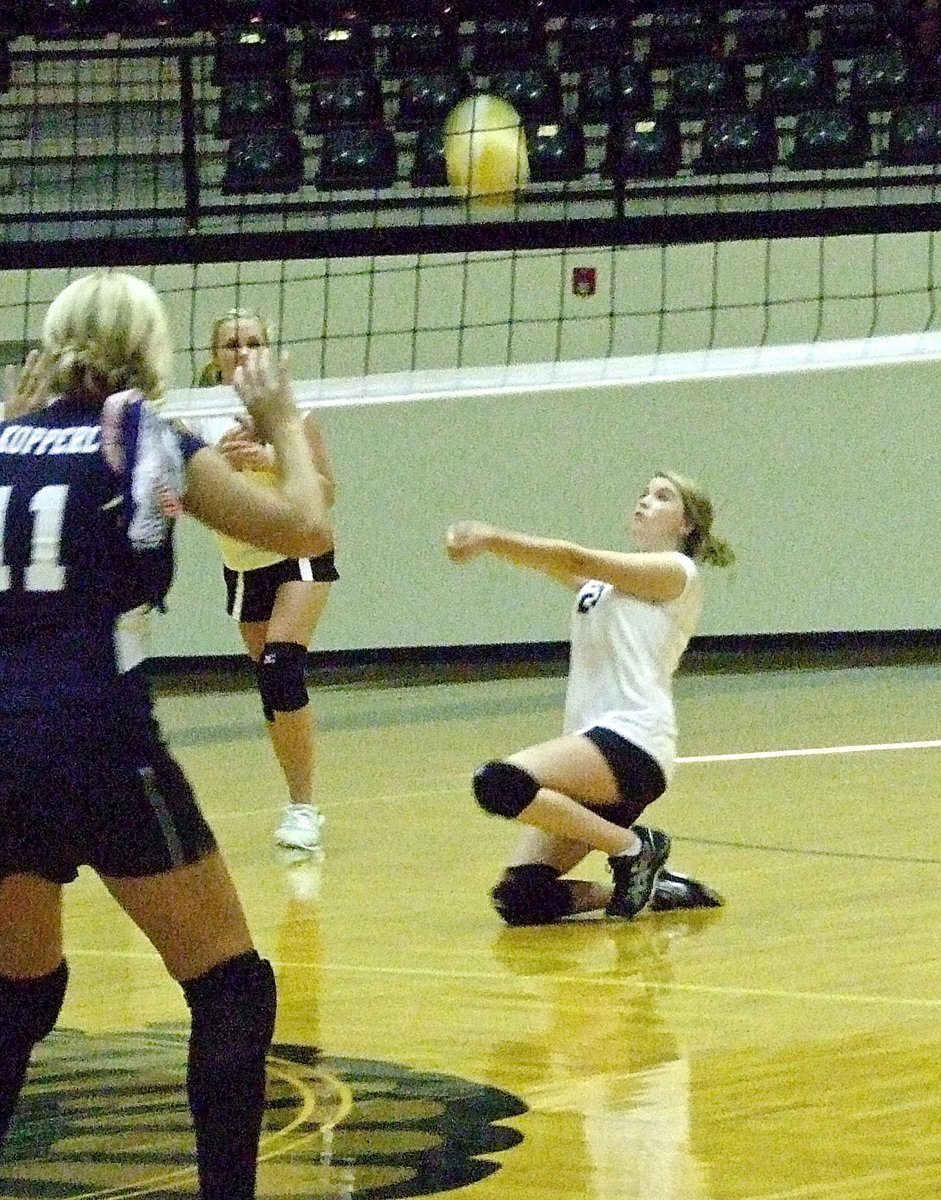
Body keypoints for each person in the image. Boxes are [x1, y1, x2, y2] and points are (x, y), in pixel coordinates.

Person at [0, 271, 332, 1200]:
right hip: (98, 742)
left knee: (20, 992)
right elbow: (303, 523)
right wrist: (283, 419)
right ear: (151, 350)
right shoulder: (144, 437)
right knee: (231, 989)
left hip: (2, 748)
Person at [446, 472, 733, 925]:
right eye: (644, 493)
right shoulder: (607, 586)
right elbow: (555, 565)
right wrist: (497, 550)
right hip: (597, 754)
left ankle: (636, 849)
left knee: (500, 784)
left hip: (632, 742)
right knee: (519, 899)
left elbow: (569, 555)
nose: (645, 502)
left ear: (687, 526)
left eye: (663, 497)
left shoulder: (677, 571)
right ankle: (655, 889)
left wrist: (490, 536)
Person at [198, 309, 337, 854]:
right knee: (268, 684)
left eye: (253, 342)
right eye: (231, 343)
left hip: (298, 550)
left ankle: (304, 808)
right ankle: (294, 797)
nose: (243, 351)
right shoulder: (196, 417)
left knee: (282, 667)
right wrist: (217, 464)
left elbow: (326, 490)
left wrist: (273, 457)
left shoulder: (292, 413)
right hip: (241, 562)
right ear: (213, 355)